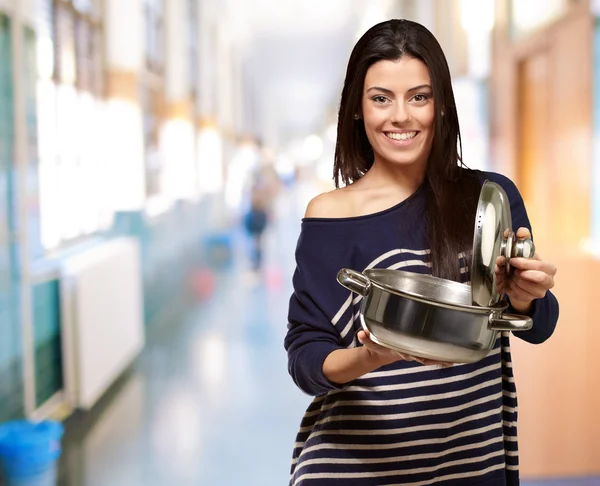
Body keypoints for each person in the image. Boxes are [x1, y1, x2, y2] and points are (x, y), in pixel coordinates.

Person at [284, 19, 559, 486]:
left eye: (419, 96)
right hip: (353, 468)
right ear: (356, 108)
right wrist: (370, 358)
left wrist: (526, 296)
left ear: (441, 106)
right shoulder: (328, 216)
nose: (400, 117)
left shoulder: (489, 199)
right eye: (380, 98)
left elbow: (540, 326)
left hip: (471, 463)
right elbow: (306, 358)